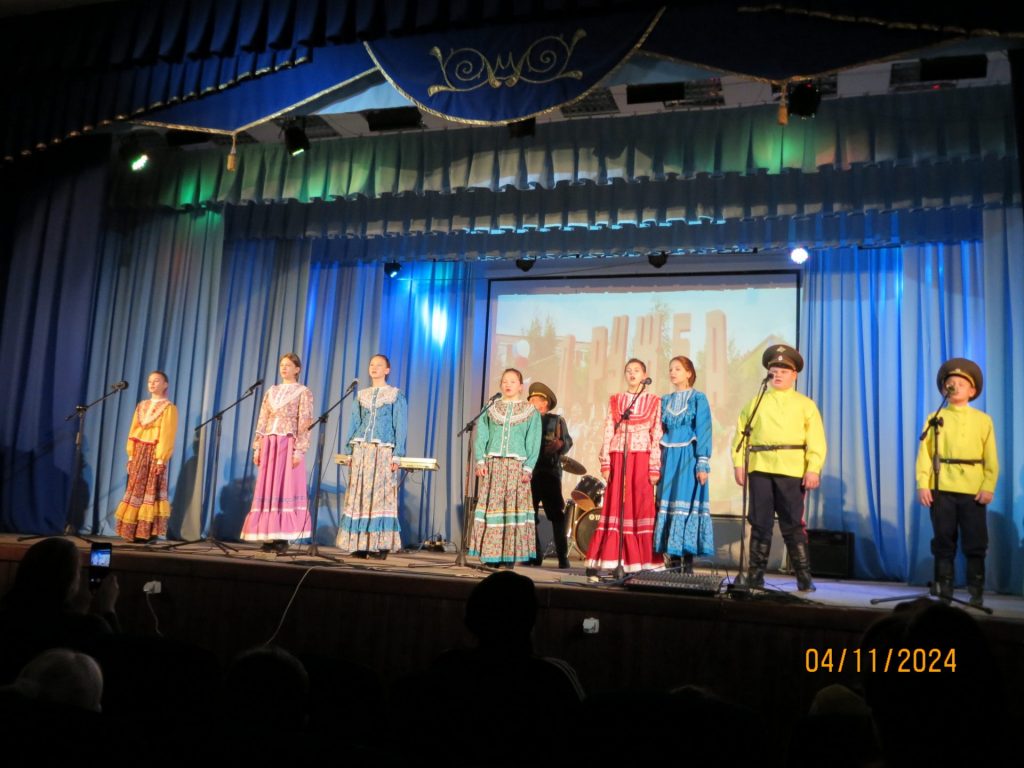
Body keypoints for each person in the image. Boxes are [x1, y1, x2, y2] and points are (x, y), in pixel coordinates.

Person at [732, 344, 826, 591]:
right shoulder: (756, 402)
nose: (778, 374)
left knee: (792, 523)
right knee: (760, 522)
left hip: (791, 469)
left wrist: (813, 467)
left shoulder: (805, 405)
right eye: (774, 370)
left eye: (784, 371)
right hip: (760, 468)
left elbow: (816, 439)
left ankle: (803, 576)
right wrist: (739, 463)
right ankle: (755, 576)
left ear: (794, 375)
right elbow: (741, 434)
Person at [915, 358, 998, 607]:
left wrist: (988, 485)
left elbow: (991, 457)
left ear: (972, 391)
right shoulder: (935, 418)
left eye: (962, 384)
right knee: (943, 541)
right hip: (942, 487)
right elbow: (925, 454)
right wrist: (923, 483)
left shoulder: (983, 420)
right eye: (950, 383)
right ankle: (945, 590)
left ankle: (976, 590)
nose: (955, 386)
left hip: (972, 489)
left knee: (975, 541)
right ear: (944, 389)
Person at [585, 358, 662, 577]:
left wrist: (654, 466)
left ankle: (640, 561)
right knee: (616, 505)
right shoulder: (617, 400)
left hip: (642, 457)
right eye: (628, 370)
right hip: (619, 456)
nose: (632, 374)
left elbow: (657, 433)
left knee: (640, 505)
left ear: (644, 374)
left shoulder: (654, 401)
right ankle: (611, 559)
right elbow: (609, 429)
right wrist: (606, 461)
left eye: (636, 370)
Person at [336, 354, 408, 560]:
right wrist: (350, 450)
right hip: (362, 449)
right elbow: (354, 422)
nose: (374, 367)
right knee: (359, 495)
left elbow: (400, 425)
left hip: (383, 450)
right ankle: (359, 544)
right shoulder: (361, 395)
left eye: (379, 365)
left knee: (380, 495)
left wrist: (397, 455)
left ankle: (380, 545)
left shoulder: (395, 395)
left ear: (387, 370)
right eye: (371, 364)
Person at [468, 368, 542, 567]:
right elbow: (482, 435)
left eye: (512, 381)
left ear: (521, 386)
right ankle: (490, 556)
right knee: (493, 510)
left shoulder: (530, 411)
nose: (508, 385)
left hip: (516, 467)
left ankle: (508, 557)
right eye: (505, 381)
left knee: (512, 511)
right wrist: (480, 460)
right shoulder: (491, 407)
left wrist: (528, 467)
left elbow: (533, 440)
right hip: (494, 466)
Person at [241, 353, 313, 553]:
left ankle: (282, 537)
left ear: (297, 369)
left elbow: (305, 422)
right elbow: (262, 419)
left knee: (284, 487)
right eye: (282, 365)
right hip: (270, 443)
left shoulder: (303, 392)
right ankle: (268, 534)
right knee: (268, 487)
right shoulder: (271, 391)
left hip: (288, 443)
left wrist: (299, 450)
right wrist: (258, 446)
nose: (284, 368)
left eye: (288, 365)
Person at [654, 356, 713, 573]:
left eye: (678, 369)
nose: (672, 372)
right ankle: (672, 562)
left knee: (685, 504)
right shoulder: (665, 400)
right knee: (668, 503)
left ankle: (687, 564)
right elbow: (658, 431)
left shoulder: (698, 398)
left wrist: (702, 462)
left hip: (688, 457)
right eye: (671, 369)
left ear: (689, 373)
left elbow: (704, 429)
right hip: (668, 457)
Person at [113, 370, 178, 542]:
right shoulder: (141, 406)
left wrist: (161, 459)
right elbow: (133, 430)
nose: (152, 384)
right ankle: (131, 530)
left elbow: (167, 434)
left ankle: (147, 532)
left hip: (154, 453)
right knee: (135, 488)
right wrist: (131, 456)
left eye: (156, 381)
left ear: (165, 384)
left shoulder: (168, 408)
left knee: (151, 490)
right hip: (139, 451)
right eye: (150, 381)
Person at [526, 382, 573, 569]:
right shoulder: (525, 420)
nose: (531, 403)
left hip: (550, 473)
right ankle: (534, 555)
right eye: (530, 400)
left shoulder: (557, 420)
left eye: (534, 400)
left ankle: (562, 557)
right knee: (529, 514)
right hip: (530, 473)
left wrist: (560, 445)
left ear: (544, 403)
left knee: (556, 515)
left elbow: (568, 442)